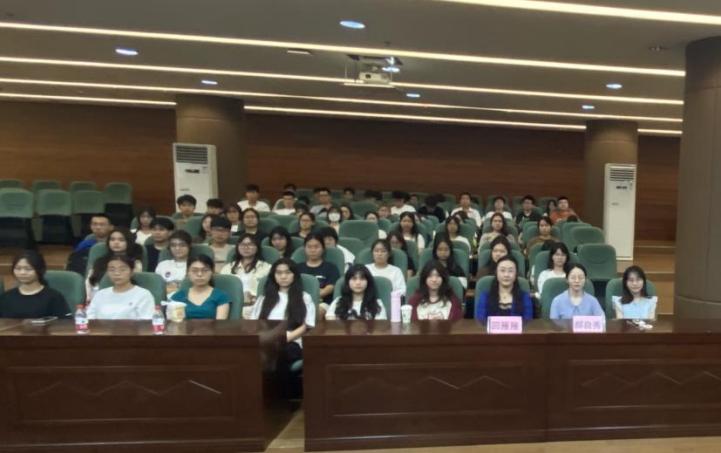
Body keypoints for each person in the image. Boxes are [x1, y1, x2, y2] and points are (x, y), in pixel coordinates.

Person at [250, 258, 315, 398]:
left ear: (294, 275)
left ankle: (279, 399)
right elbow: (255, 323)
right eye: (279, 273)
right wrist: (267, 339)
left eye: (287, 272)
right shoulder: (264, 298)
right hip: (265, 341)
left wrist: (283, 338)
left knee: (279, 354)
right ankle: (257, 397)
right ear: (273, 276)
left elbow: (306, 326)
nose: (283, 276)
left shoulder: (304, 297)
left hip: (292, 342)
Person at [0, 250, 69, 318]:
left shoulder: (54, 297)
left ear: (39, 270)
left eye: (28, 269)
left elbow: (65, 322)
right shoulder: (6, 297)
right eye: (18, 268)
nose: (22, 272)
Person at [87, 255, 155, 320]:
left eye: (122, 269)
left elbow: (146, 321)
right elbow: (89, 318)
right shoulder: (100, 294)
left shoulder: (143, 295)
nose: (117, 273)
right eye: (112, 270)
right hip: (100, 328)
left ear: (132, 272)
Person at [220, 233, 271, 317]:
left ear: (257, 247)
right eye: (242, 244)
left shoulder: (267, 268)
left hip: (256, 307)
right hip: (232, 306)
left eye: (250, 244)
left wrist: (254, 297)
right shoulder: (227, 268)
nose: (246, 247)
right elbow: (221, 290)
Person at [86, 228, 144, 301]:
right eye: (112, 239)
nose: (116, 242)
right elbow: (89, 283)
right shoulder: (99, 262)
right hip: (96, 298)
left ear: (129, 242)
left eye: (121, 240)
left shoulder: (135, 263)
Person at [171, 255, 230, 319]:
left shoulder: (221, 296)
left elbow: (220, 323)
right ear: (187, 272)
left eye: (205, 270)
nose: (200, 274)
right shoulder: (178, 297)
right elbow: (176, 322)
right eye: (194, 270)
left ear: (212, 272)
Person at [475, 256, 533, 322]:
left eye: (510, 271)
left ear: (516, 274)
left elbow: (527, 322)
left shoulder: (524, 297)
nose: (506, 275)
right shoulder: (485, 296)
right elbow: (481, 321)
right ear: (496, 273)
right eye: (502, 270)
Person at [296, 234, 340, 306]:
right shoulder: (298, 268)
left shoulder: (331, 267)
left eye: (316, 247)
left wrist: (313, 297)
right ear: (305, 248)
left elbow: (330, 287)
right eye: (309, 247)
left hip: (323, 302)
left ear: (323, 248)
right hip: (301, 301)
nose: (313, 250)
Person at [155, 230, 192, 297]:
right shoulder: (162, 265)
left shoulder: (195, 265)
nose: (177, 248)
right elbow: (157, 287)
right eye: (173, 245)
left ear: (189, 246)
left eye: (182, 245)